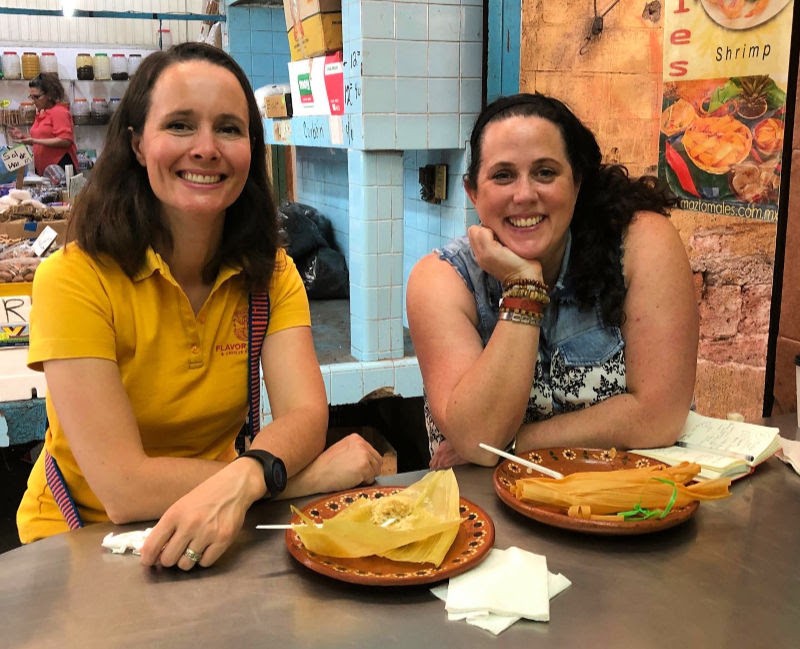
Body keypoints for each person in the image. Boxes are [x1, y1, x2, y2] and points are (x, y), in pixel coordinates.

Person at [17, 42, 382, 569]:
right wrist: (296, 480)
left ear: (251, 151)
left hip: (217, 527)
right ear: (138, 144)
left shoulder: (272, 274)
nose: (207, 148)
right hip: (81, 543)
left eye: (230, 129)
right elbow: (123, 486)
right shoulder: (74, 279)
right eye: (181, 125)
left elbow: (305, 413)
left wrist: (246, 479)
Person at [406, 93, 699, 469]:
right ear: (473, 193)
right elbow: (479, 432)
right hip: (490, 514)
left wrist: (514, 445)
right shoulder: (442, 279)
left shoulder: (642, 242)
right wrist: (523, 288)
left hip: (628, 501)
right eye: (503, 175)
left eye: (545, 172)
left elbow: (661, 416)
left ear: (576, 183)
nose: (525, 194)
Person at [9, 73, 79, 175]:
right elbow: (42, 139)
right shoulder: (42, 113)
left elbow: (65, 140)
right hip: (44, 169)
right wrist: (23, 137)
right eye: (31, 97)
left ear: (50, 95)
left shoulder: (59, 112)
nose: (33, 101)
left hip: (60, 167)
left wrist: (34, 140)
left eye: (37, 97)